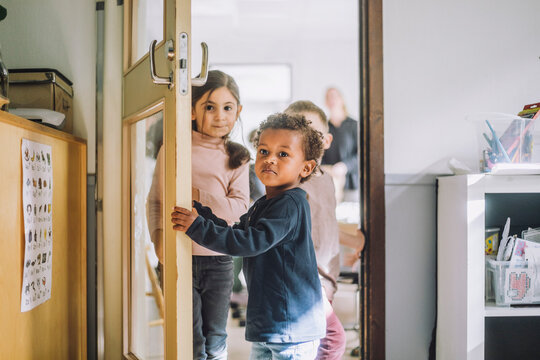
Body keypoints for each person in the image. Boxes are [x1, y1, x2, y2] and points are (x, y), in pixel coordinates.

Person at [171, 112, 326, 360]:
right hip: (270, 324)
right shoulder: (265, 203)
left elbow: (249, 243)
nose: (270, 160)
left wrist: (198, 227)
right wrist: (202, 216)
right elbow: (237, 232)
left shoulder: (290, 205)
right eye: (264, 151)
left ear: (306, 167)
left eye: (283, 154)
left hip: (291, 328)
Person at [146, 70, 250, 359]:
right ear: (192, 110)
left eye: (228, 108)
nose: (220, 116)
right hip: (177, 256)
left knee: (215, 336)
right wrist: (158, 240)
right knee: (190, 339)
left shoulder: (238, 158)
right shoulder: (174, 149)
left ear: (238, 111)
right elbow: (156, 201)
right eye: (209, 107)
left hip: (218, 261)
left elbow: (238, 207)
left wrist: (197, 196)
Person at [321, 87, 359, 203]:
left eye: (334, 96)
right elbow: (320, 154)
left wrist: (345, 166)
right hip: (329, 184)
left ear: (342, 100)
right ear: (326, 103)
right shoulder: (324, 127)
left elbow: (362, 155)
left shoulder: (354, 125)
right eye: (328, 97)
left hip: (351, 185)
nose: (332, 100)